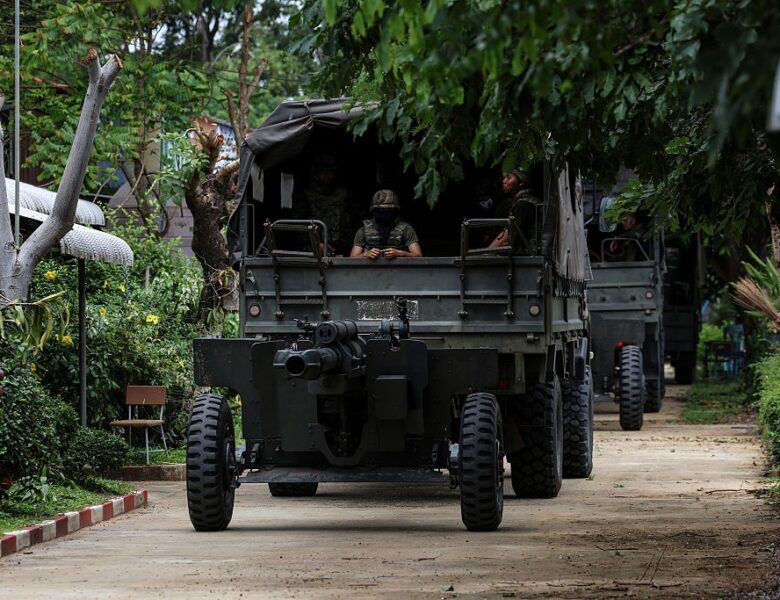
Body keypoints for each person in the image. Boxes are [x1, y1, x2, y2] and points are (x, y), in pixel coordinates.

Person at [295, 154, 358, 256]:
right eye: (323, 172)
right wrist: (315, 243)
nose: (327, 175)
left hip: (343, 246)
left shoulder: (344, 194)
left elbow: (357, 218)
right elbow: (299, 225)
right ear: (315, 174)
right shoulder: (306, 196)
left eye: (330, 171)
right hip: (314, 248)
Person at [350, 190, 423, 259]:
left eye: (389, 210)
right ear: (374, 211)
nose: (385, 214)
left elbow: (418, 256)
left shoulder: (406, 229)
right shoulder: (364, 230)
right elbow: (352, 259)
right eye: (381, 210)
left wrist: (400, 253)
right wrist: (365, 254)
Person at [488, 169, 541, 251]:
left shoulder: (524, 204)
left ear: (521, 182)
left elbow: (507, 237)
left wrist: (486, 253)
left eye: (509, 178)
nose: (504, 181)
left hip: (527, 255)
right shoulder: (524, 201)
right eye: (504, 178)